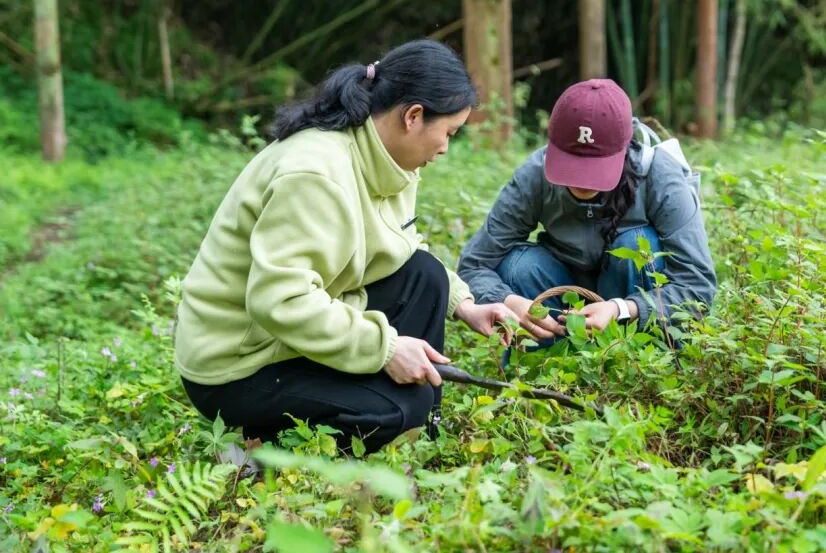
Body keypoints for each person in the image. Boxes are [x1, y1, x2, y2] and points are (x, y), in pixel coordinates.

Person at [174, 40, 516, 455]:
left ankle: (421, 432)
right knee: (399, 407)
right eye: (448, 133)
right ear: (413, 116)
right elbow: (279, 299)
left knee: (424, 276)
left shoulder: (382, 158)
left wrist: (465, 303)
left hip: (285, 335)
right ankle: (253, 445)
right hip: (238, 365)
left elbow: (402, 249)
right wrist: (385, 349)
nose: (445, 148)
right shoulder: (316, 173)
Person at [457, 79, 716, 352]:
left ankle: (636, 361)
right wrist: (510, 301)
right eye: (572, 165)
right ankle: (546, 369)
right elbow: (474, 264)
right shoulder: (535, 174)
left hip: (631, 301)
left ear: (624, 149)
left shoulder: (658, 174)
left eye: (595, 167)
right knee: (518, 265)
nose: (582, 181)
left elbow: (697, 283)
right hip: (561, 296)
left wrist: (621, 308)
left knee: (639, 245)